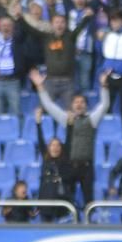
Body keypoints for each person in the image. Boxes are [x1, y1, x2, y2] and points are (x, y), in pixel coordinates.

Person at [30, 70, 110, 209]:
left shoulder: (92, 119)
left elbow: (104, 105)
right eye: (76, 102)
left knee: (88, 201)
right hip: (68, 166)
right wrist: (41, 87)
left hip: (86, 166)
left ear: (86, 105)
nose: (79, 104)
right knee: (68, 200)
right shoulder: (66, 119)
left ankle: (88, 226)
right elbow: (49, 105)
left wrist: (103, 86)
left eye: (82, 102)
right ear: (71, 105)